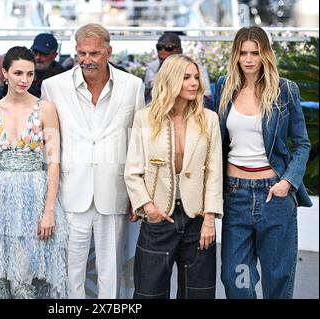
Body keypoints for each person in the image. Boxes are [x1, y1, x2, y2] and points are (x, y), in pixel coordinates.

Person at [41, 23, 145, 299]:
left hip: (115, 191)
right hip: (71, 190)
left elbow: (138, 142)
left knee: (111, 270)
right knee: (70, 270)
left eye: (95, 54)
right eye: (81, 53)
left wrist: (138, 194)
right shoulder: (53, 87)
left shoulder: (133, 86)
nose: (87, 60)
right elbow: (48, 146)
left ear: (109, 52)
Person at [214, 26, 312, 299]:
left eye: (254, 53)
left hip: (274, 196)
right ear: (235, 55)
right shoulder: (225, 86)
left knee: (277, 277)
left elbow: (302, 144)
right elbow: (218, 140)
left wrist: (287, 182)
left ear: (265, 54)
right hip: (235, 195)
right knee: (236, 277)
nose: (248, 59)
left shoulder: (285, 90)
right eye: (243, 53)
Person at [0, 46, 68, 299]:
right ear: (5, 73)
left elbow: (54, 162)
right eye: (17, 73)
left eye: (29, 74)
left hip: (34, 198)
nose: (24, 80)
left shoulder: (45, 109)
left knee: (25, 279)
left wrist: (48, 212)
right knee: (4, 279)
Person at [124, 54, 222, 299]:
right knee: (149, 293)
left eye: (196, 78)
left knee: (198, 294)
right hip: (158, 219)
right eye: (186, 77)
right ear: (170, 80)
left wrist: (209, 219)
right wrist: (149, 208)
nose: (194, 83)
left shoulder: (209, 119)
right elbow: (132, 170)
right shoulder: (144, 118)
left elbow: (214, 172)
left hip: (197, 220)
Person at [144, 32, 212, 107]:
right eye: (159, 47)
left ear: (180, 51)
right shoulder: (152, 68)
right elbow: (146, 94)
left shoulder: (196, 69)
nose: (163, 51)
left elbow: (206, 99)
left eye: (168, 47)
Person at [29, 33, 64, 98]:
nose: (37, 57)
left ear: (54, 55)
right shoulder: (23, 68)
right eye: (35, 52)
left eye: (43, 54)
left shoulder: (61, 76)